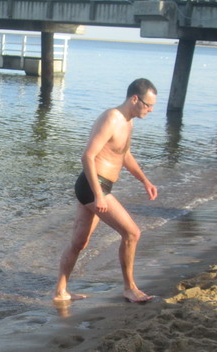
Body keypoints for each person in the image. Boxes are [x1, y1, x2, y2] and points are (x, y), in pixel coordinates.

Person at [55, 78, 158, 304]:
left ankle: (61, 291)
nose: (151, 110)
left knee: (79, 242)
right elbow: (88, 156)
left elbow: (124, 156)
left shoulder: (128, 122)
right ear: (134, 99)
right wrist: (99, 194)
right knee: (132, 233)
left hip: (98, 187)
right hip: (93, 186)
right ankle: (129, 288)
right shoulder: (112, 118)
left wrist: (145, 181)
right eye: (148, 105)